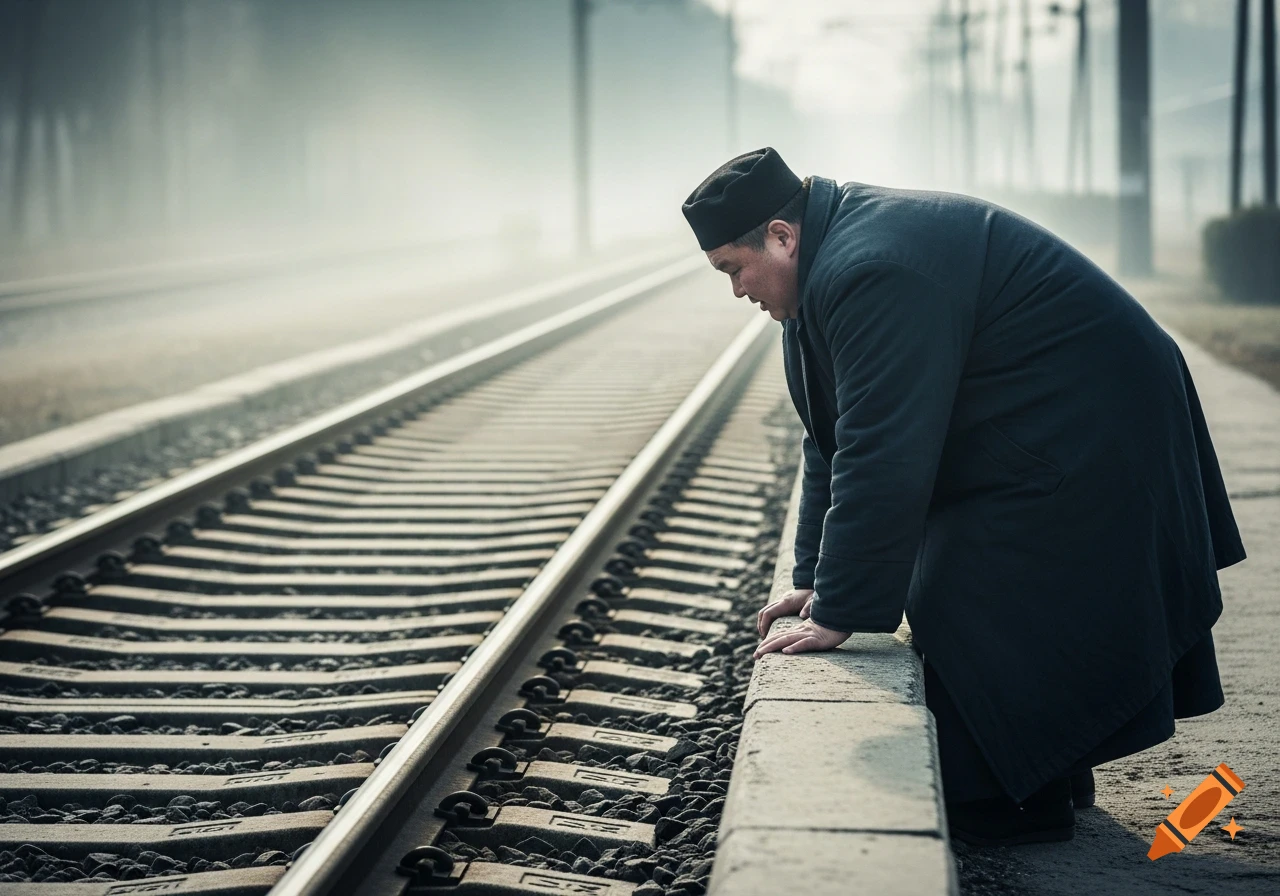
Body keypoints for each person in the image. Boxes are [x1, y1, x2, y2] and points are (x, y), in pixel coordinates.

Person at [681, 147, 1246, 846]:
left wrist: (842, 609)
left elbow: (883, 452)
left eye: (733, 269)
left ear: (781, 235)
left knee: (963, 580)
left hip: (1095, 421)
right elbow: (830, 439)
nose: (737, 290)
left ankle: (1012, 802)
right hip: (1053, 416)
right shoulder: (823, 271)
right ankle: (1040, 777)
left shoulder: (867, 268)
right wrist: (814, 583)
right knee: (959, 569)